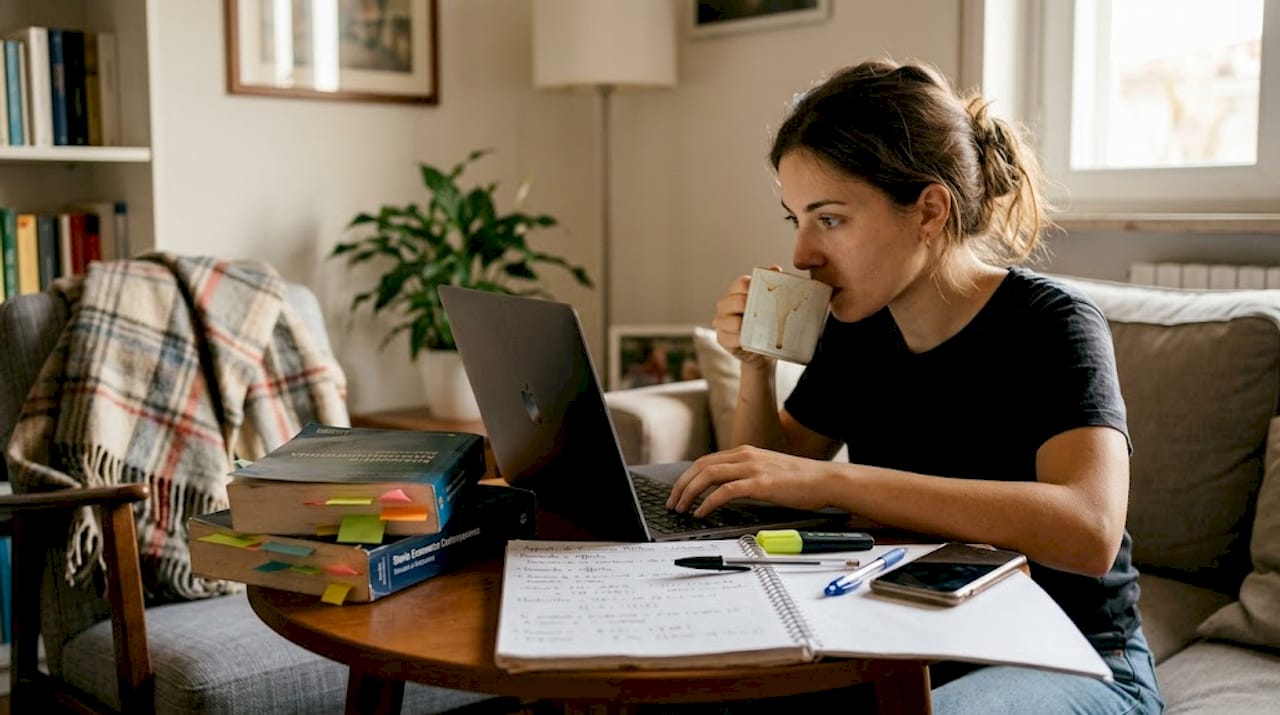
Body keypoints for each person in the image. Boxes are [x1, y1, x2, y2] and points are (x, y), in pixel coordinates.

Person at [665, 59, 1164, 713]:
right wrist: (755, 364)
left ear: (928, 210)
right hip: (912, 642)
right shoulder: (861, 324)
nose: (803, 256)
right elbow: (768, 490)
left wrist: (837, 482)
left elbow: (1089, 529)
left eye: (832, 219)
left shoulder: (1053, 324)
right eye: (797, 220)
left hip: (1071, 654)